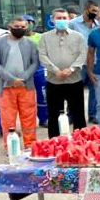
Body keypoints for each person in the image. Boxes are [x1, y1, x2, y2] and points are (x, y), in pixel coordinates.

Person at [0, 17, 38, 150]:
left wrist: (24, 76)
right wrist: (11, 79)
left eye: (23, 27)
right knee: (8, 119)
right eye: (17, 26)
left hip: (26, 86)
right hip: (5, 87)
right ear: (9, 27)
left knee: (29, 117)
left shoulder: (30, 43)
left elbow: (35, 63)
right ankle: (10, 147)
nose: (20, 29)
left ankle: (30, 145)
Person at [38, 9, 86, 137]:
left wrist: (71, 69)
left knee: (78, 113)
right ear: (52, 20)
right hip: (54, 81)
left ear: (69, 19)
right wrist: (55, 70)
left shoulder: (78, 36)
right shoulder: (44, 37)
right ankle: (55, 141)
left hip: (74, 80)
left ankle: (80, 140)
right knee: (54, 114)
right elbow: (42, 56)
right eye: (58, 18)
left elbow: (82, 54)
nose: (62, 20)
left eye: (65, 18)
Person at [68, 0, 99, 123]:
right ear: (86, 9)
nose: (95, 13)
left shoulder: (98, 24)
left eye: (97, 11)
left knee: (95, 90)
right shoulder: (73, 24)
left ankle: (93, 114)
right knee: (74, 90)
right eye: (92, 10)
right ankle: (72, 115)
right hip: (77, 63)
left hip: (95, 62)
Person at [23, 15, 48, 128]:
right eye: (25, 23)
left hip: (39, 70)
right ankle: (28, 122)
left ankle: (44, 118)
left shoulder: (41, 37)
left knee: (42, 96)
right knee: (26, 98)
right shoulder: (17, 38)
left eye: (30, 22)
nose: (28, 25)